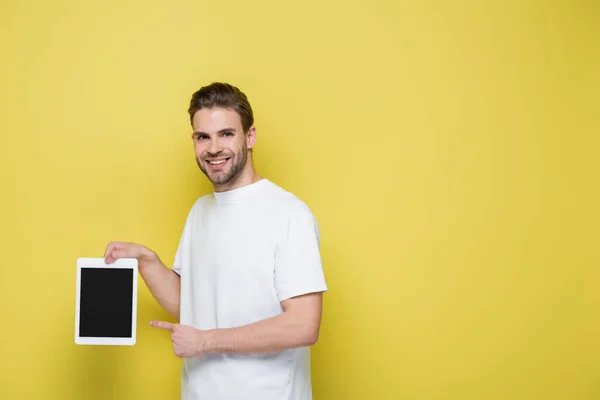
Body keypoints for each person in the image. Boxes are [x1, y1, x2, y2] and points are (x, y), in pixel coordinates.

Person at [103, 82, 328, 400]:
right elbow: (192, 305)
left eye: (226, 134)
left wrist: (205, 341)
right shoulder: (201, 211)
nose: (213, 149)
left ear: (249, 137)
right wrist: (147, 261)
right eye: (202, 137)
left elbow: (303, 325)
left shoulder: (289, 215)